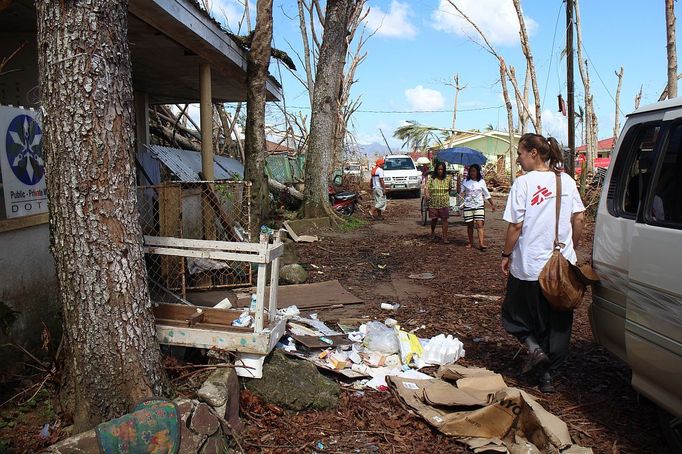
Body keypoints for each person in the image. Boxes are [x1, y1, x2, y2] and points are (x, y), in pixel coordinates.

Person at [500, 133, 585, 394]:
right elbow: (579, 217)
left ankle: (534, 348)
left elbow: (515, 225)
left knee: (515, 313)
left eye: (521, 153)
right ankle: (548, 376)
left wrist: (505, 254)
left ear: (534, 153)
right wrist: (573, 247)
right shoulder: (566, 181)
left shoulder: (524, 184)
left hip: (531, 265)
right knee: (557, 322)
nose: (519, 158)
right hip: (561, 266)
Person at [460, 163, 495, 250]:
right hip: (468, 205)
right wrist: (458, 182)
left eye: (474, 171)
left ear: (477, 172)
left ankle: (481, 243)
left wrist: (492, 204)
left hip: (479, 205)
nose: (472, 173)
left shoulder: (481, 182)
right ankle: (470, 242)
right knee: (470, 225)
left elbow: (486, 194)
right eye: (471, 171)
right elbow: (460, 192)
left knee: (480, 224)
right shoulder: (465, 181)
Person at [424, 161, 453, 243]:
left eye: (442, 169)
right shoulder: (432, 179)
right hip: (434, 202)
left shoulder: (448, 179)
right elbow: (426, 188)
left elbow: (450, 189)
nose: (440, 171)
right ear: (436, 170)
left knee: (445, 220)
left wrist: (445, 196)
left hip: (444, 202)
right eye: (439, 169)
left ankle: (445, 237)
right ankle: (432, 232)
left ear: (444, 170)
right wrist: (427, 195)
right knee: (434, 219)